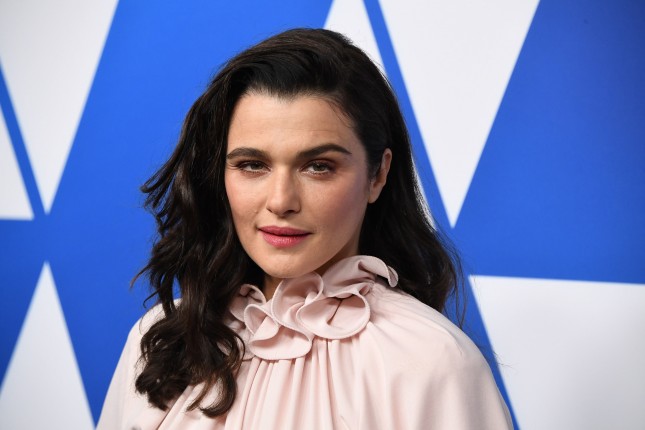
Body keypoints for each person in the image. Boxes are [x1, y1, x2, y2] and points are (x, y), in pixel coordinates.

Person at [97, 28, 512, 429]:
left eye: (318, 167)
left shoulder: (431, 361)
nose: (281, 201)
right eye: (252, 165)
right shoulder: (161, 338)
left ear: (378, 175)